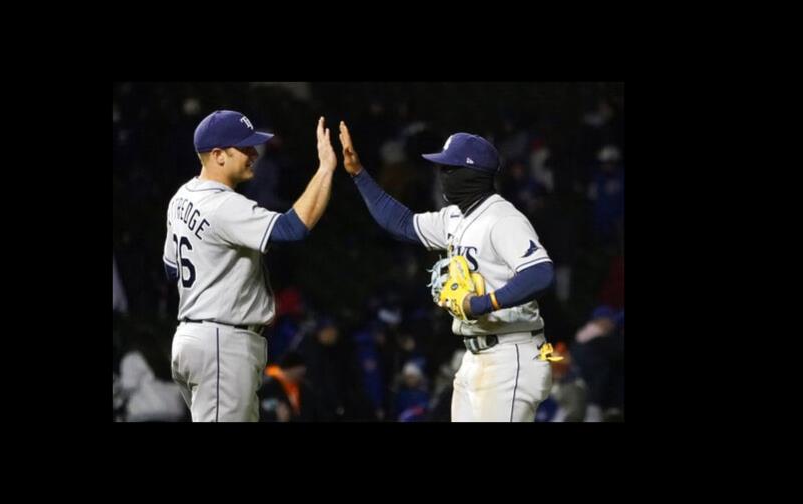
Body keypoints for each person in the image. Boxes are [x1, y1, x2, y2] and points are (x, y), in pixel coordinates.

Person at [338, 122, 558, 422]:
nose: (441, 176)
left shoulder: (502, 219)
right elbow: (401, 223)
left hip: (511, 354)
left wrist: (481, 303)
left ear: (471, 174)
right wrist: (358, 174)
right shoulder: (454, 217)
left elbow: (540, 273)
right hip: (475, 356)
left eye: (448, 169)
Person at [163, 110, 337, 421]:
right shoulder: (224, 205)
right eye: (244, 148)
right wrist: (325, 170)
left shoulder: (181, 197)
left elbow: (171, 269)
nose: (254, 153)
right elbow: (292, 229)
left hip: (193, 338)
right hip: (222, 344)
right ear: (218, 155)